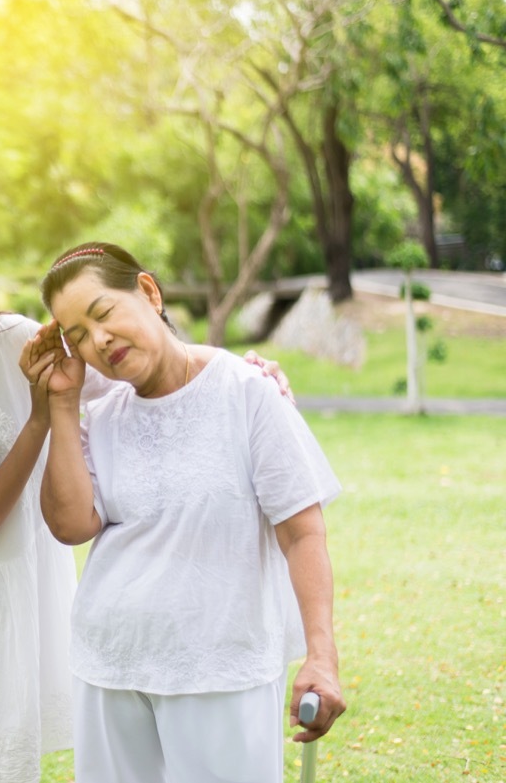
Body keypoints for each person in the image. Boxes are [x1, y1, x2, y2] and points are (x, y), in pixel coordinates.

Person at [0, 253, 293, 783]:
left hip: (31, 573)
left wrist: (232, 370)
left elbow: (124, 374)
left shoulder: (12, 339)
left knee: (36, 741)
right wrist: (39, 416)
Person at [31, 242, 346, 783]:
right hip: (110, 668)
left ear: (149, 293)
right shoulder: (101, 416)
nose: (98, 340)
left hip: (223, 669)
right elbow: (70, 525)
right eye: (77, 334)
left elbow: (302, 533)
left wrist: (322, 654)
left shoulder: (247, 392)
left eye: (103, 313)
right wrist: (61, 403)